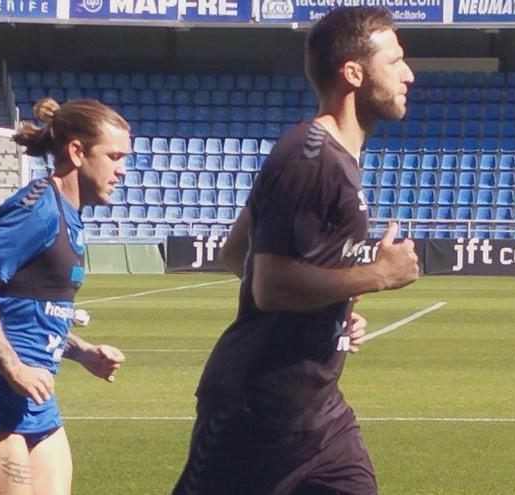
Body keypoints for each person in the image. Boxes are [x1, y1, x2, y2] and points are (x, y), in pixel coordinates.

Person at [172, 6, 420, 495]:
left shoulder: (323, 154)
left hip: (317, 412)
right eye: (394, 62)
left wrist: (331, 309)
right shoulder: (311, 157)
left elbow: (234, 253)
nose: (408, 74)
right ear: (353, 73)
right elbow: (270, 286)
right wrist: (377, 275)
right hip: (256, 409)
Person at [0, 97, 129, 495]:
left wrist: (82, 352)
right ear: (77, 152)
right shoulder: (39, 209)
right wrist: (14, 369)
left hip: (37, 401)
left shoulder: (68, 216)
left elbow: (34, 313)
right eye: (114, 156)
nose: (122, 169)